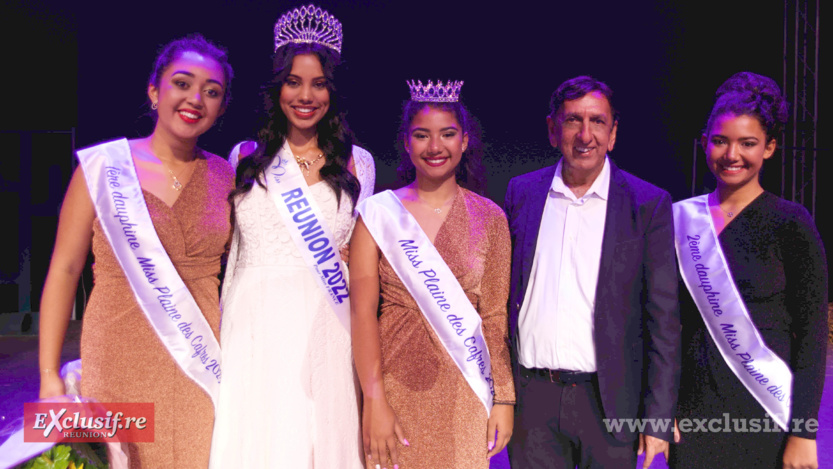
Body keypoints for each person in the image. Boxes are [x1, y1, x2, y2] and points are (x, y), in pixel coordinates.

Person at [38, 34, 235, 467]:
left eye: (211, 91)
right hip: (117, 355)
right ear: (154, 91)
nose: (195, 98)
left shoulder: (227, 177)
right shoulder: (103, 167)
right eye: (182, 83)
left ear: (221, 108)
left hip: (199, 360)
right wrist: (49, 377)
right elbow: (65, 268)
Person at [208, 5, 375, 468]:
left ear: (333, 91)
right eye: (293, 82)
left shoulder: (358, 163)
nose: (306, 95)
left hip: (327, 323)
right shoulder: (243, 157)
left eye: (319, 83)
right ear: (276, 87)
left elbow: (361, 254)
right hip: (253, 324)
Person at [505, 75, 681, 469]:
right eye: (573, 120)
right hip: (532, 401)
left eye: (597, 122)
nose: (585, 135)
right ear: (552, 129)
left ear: (613, 133)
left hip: (609, 404)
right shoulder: (522, 193)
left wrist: (657, 416)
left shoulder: (648, 204)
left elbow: (664, 322)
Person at [350, 80, 515, 469]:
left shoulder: (490, 218)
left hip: (465, 389)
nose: (435, 146)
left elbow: (494, 317)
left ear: (465, 140)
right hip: (391, 385)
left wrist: (504, 398)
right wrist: (374, 398)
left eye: (448, 134)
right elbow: (361, 314)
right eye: (422, 135)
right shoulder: (378, 213)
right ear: (407, 143)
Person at [670, 72, 827, 469]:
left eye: (748, 143)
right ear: (704, 142)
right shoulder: (679, 221)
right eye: (720, 140)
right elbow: (667, 327)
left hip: (766, 414)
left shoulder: (791, 222)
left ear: (769, 147)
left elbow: (812, 338)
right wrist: (662, 408)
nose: (732, 154)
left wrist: (804, 433)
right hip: (692, 414)